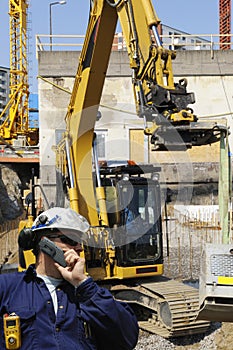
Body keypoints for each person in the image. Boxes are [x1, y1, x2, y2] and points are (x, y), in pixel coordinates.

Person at [0, 207, 139, 350]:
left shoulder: (88, 293)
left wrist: (83, 284)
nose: (79, 248)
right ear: (46, 244)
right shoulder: (8, 288)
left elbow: (127, 338)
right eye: (72, 240)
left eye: (80, 242)